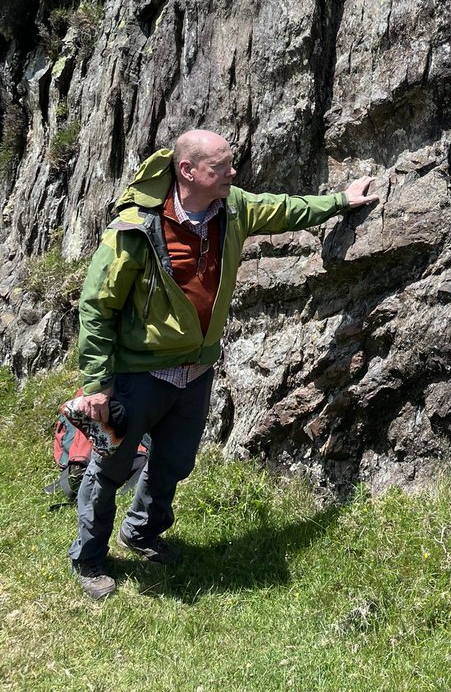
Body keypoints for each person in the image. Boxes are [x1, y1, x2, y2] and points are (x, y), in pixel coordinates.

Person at [68, 129, 377, 600]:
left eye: (231, 164)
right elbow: (96, 306)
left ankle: (141, 533)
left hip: (194, 373)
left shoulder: (231, 208)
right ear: (188, 171)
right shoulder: (136, 228)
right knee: (109, 468)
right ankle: (89, 559)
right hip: (136, 377)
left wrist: (340, 200)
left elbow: (284, 208)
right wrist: (96, 384)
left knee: (173, 463)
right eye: (221, 167)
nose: (233, 173)